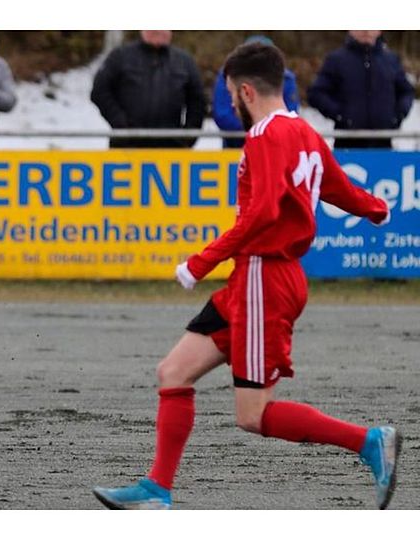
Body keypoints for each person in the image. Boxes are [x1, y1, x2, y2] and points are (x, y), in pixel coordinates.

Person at [92, 42, 400, 510]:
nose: (232, 105)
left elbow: (260, 214)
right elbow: (340, 189)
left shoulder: (263, 136)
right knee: (173, 371)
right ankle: (156, 490)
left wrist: (201, 261)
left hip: (265, 281)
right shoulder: (306, 133)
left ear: (246, 91)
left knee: (253, 415)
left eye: (233, 96)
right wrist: (376, 209)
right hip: (253, 282)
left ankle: (368, 441)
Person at [90, 30, 206, 148]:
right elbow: (100, 91)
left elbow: (198, 101)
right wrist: (120, 123)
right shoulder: (120, 56)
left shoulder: (185, 61)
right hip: (126, 148)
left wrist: (188, 136)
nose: (158, 31)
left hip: (171, 150)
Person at [308, 31, 414, 149]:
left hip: (383, 143)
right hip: (346, 144)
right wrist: (340, 115)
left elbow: (406, 91)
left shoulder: (391, 60)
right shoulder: (336, 60)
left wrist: (395, 117)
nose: (366, 30)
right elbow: (316, 93)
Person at [213, 36, 299, 149]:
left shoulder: (286, 78)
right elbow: (222, 113)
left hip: (274, 143)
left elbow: (290, 108)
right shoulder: (229, 75)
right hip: (236, 145)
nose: (233, 104)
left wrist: (262, 132)